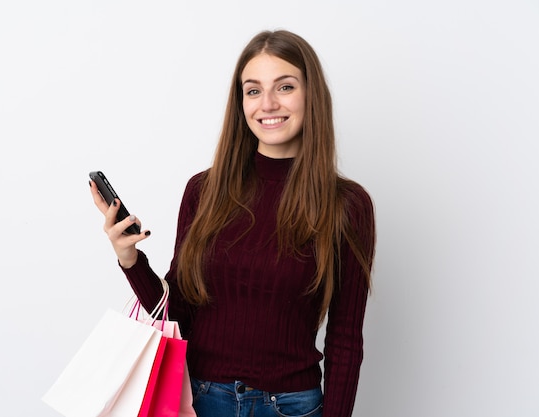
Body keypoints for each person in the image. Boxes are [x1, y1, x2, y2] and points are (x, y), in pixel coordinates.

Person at [90, 29, 376, 417]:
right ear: (241, 102)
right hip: (200, 400)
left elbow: (344, 340)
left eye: (286, 86)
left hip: (290, 407)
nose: (268, 103)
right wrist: (129, 259)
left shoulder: (346, 205)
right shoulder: (203, 191)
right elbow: (177, 315)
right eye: (253, 90)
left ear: (312, 96)